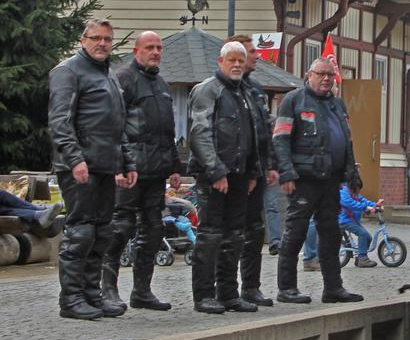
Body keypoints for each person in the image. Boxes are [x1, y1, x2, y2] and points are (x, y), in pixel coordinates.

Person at [48, 18, 137, 320]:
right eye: (96, 38)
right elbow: (60, 121)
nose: (102, 43)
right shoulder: (67, 71)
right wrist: (75, 159)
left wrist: (126, 162)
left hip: (105, 166)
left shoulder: (108, 75)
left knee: (101, 232)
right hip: (79, 166)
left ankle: (91, 294)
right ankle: (71, 299)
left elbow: (118, 124)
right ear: (83, 40)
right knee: (81, 231)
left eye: (107, 39)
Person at [102, 31, 181, 312]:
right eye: (150, 47)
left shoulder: (160, 83)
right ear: (137, 51)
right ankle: (107, 289)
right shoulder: (123, 78)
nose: (156, 52)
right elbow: (114, 124)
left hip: (156, 171)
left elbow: (167, 129)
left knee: (153, 229)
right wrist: (119, 164)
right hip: (130, 168)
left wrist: (174, 166)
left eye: (159, 47)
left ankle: (142, 291)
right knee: (120, 227)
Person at [273, 58, 362, 304]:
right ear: (308, 75)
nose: (326, 79)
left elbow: (348, 141)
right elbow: (280, 140)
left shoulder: (337, 105)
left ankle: (333, 288)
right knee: (295, 232)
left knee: (331, 233)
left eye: (330, 75)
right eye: (321, 74)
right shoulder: (294, 101)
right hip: (304, 179)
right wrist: (286, 173)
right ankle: (287, 288)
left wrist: (353, 175)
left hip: (331, 180)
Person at [187, 41, 260, 314]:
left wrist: (254, 171)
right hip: (214, 176)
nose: (237, 64)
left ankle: (228, 292)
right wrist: (215, 170)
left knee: (235, 236)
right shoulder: (208, 90)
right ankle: (203, 294)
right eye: (232, 59)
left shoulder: (246, 93)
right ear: (220, 62)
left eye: (241, 60)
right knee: (210, 236)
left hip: (241, 176)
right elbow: (199, 133)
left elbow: (254, 134)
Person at [227, 34, 277, 308]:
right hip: (233, 173)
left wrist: (270, 165)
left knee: (255, 230)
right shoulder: (224, 89)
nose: (256, 55)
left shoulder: (256, 90)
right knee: (230, 233)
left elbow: (265, 131)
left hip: (256, 171)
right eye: (250, 52)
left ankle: (251, 286)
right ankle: (226, 288)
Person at [339, 176, 383, 268]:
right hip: (344, 220)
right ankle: (363, 259)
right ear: (352, 187)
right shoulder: (344, 192)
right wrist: (365, 208)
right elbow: (349, 203)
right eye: (357, 190)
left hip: (352, 220)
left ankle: (360, 257)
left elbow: (364, 201)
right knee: (362, 234)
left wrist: (376, 206)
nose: (358, 192)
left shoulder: (355, 194)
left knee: (368, 237)